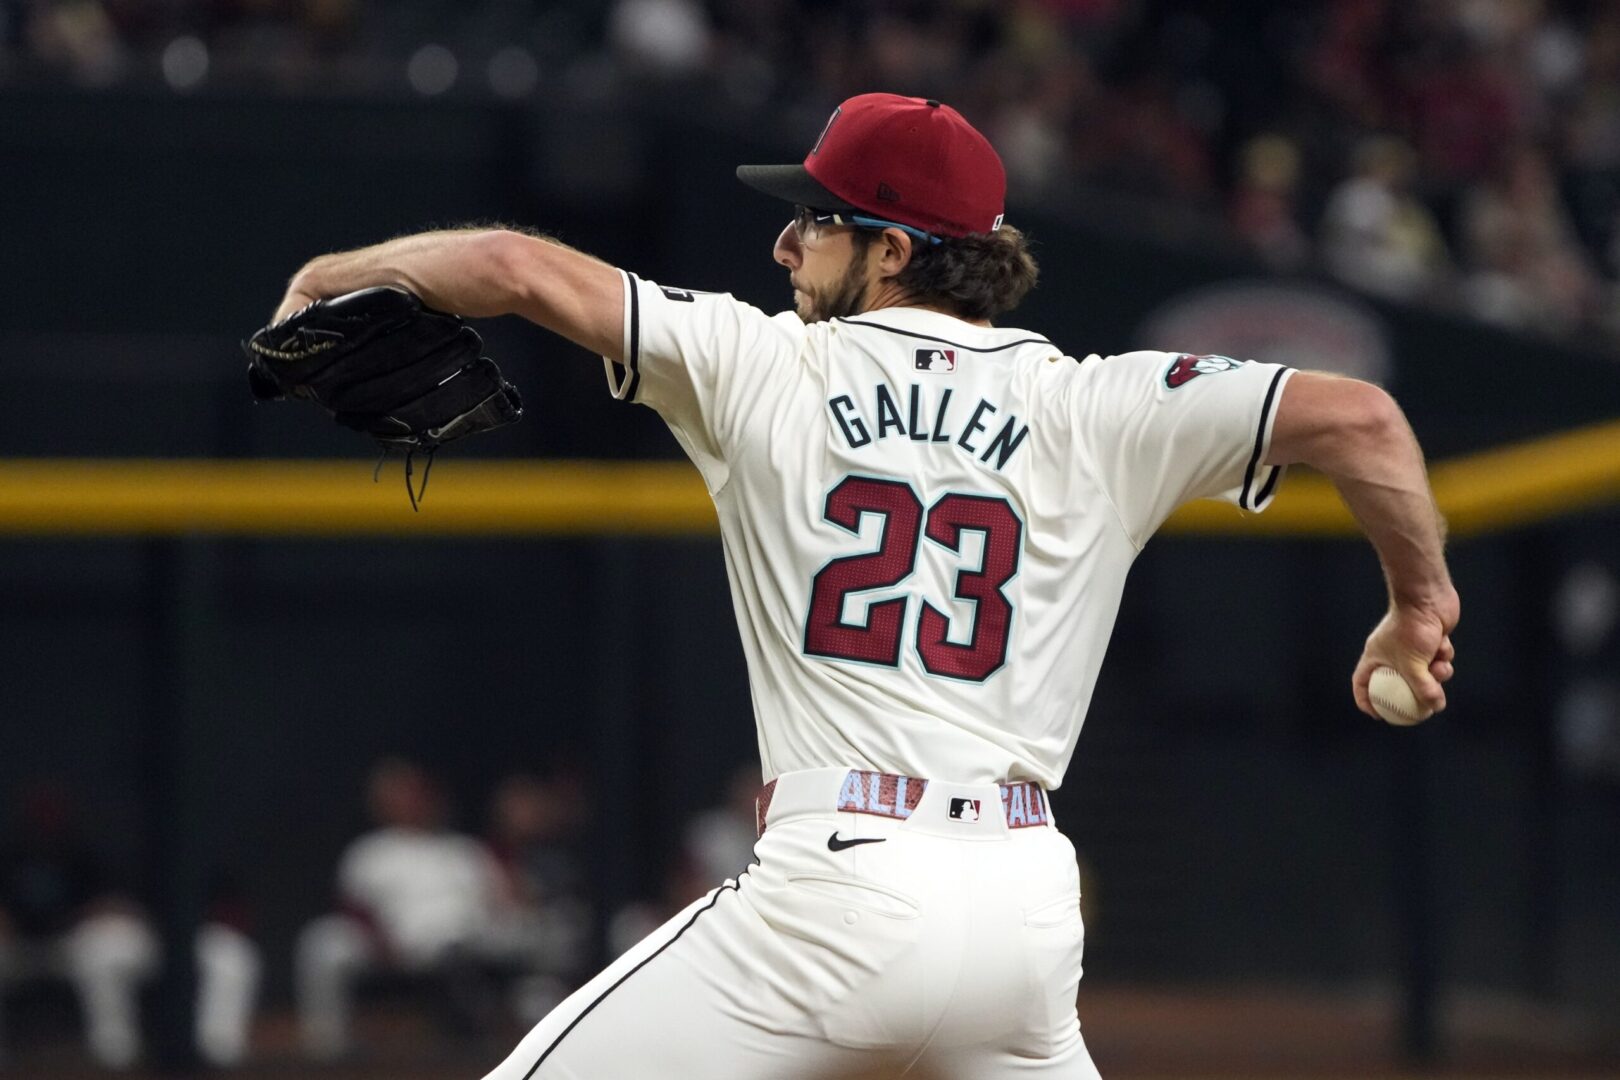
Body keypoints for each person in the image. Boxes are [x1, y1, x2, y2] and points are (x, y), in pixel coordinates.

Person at [266, 92, 1460, 1078]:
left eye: (816, 223)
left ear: (894, 251)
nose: (787, 244)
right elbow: (1360, 417)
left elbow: (510, 265)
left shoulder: (765, 363)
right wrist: (1419, 606)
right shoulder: (1098, 403)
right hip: (1022, 917)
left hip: (837, 896)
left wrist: (335, 270)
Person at [0, 781, 260, 1069]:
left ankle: (217, 1051)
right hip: (50, 943)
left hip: (185, 938)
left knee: (232, 956)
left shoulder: (202, 854)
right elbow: (117, 904)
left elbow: (231, 910)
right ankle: (115, 1054)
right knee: (104, 953)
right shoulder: (18, 854)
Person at [294, 757, 517, 1059]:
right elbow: (353, 908)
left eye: (415, 794)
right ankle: (327, 1048)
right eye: (398, 796)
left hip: (463, 944)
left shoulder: (464, 850)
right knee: (323, 942)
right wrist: (380, 942)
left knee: (478, 940)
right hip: (393, 942)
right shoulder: (370, 851)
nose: (409, 803)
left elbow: (502, 904)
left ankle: (493, 1044)